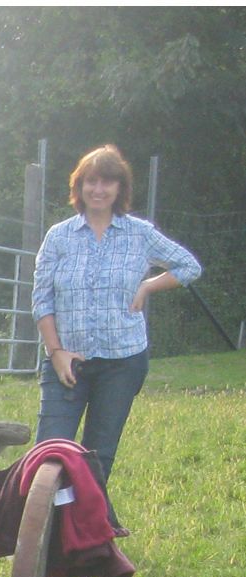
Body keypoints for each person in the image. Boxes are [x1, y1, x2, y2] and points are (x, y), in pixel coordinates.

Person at [33, 144, 201, 533]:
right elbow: (41, 298)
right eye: (91, 180)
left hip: (122, 361)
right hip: (67, 361)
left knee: (97, 454)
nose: (99, 189)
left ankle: (83, 531)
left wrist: (149, 286)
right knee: (51, 450)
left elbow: (189, 266)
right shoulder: (59, 237)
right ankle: (56, 524)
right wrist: (55, 351)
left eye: (108, 181)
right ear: (80, 186)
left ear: (119, 187)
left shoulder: (139, 234)